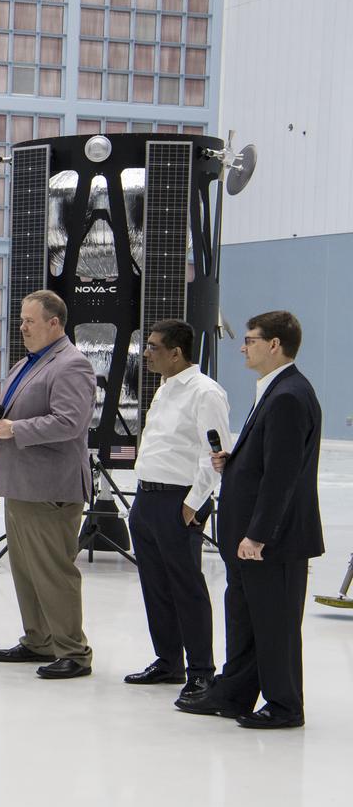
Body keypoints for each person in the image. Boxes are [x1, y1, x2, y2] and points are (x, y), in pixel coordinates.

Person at [177, 311, 322, 729]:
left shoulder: (289, 396)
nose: (242, 347)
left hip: (272, 541)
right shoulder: (276, 390)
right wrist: (235, 462)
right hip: (252, 538)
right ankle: (235, 694)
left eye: (250, 340)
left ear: (274, 345)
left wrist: (257, 535)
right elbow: (267, 460)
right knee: (246, 619)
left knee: (274, 625)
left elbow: (282, 477)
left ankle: (284, 705)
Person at [0, 290, 95, 679]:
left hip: (51, 489)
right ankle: (39, 639)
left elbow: (70, 422)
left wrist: (15, 429)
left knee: (53, 572)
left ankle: (73, 651)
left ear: (54, 323)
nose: (23, 328)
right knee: (27, 571)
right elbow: (10, 410)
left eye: (30, 321)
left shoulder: (71, 365)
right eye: (22, 320)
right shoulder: (26, 364)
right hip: (21, 485)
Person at [125, 319, 231, 698]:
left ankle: (201, 671)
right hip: (147, 498)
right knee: (155, 585)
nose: (146, 353)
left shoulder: (205, 393)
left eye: (153, 347)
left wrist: (193, 504)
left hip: (179, 500)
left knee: (187, 588)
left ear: (176, 353)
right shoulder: (165, 387)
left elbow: (215, 454)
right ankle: (168, 661)